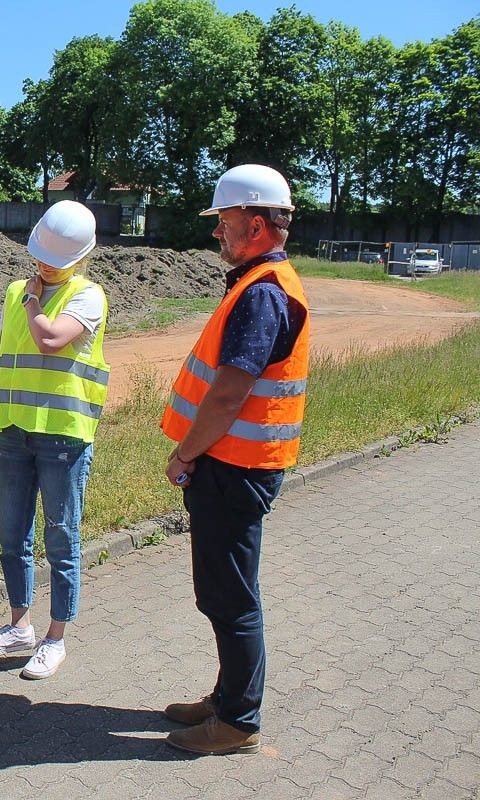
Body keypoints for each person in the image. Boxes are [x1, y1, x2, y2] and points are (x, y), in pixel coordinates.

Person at [161, 164, 310, 755]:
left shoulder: (264, 294)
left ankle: (238, 722)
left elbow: (228, 393)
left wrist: (185, 454)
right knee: (224, 591)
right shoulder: (260, 283)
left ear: (254, 223)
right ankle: (226, 699)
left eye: (222, 221)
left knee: (231, 597)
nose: (217, 233)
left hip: (234, 468)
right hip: (235, 465)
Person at [0, 201, 109, 680]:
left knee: (61, 538)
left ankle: (56, 638)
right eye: (42, 255)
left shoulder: (87, 296)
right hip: (14, 431)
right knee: (13, 536)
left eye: (59, 257)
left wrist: (34, 300)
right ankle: (18, 627)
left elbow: (51, 340)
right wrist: (27, 297)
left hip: (63, 438)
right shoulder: (14, 292)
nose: (47, 264)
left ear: (82, 256)